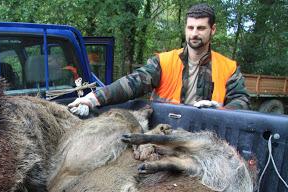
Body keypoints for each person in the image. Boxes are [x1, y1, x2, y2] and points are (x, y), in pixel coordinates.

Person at [68, 3, 250, 117]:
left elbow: (241, 101)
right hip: (164, 132)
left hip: (206, 135)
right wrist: (92, 99)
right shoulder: (164, 61)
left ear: (213, 30)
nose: (194, 33)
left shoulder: (228, 67)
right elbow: (132, 83)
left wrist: (219, 110)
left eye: (201, 28)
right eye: (190, 27)